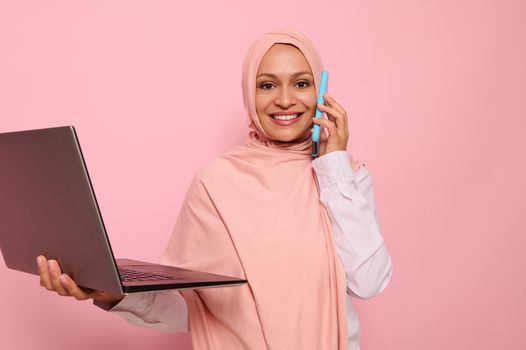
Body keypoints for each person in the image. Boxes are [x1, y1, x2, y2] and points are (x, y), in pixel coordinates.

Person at [36, 27, 393, 349]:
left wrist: (333, 166)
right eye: (267, 85)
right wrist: (115, 293)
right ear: (248, 92)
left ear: (322, 91)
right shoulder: (216, 182)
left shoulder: (344, 178)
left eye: (301, 83)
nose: (285, 100)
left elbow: (369, 282)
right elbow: (193, 310)